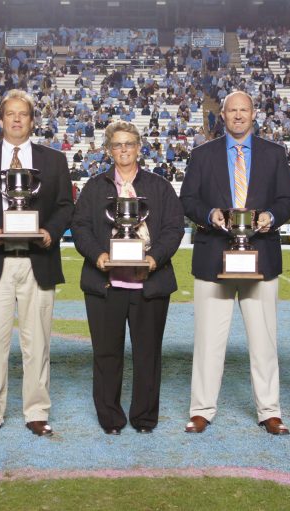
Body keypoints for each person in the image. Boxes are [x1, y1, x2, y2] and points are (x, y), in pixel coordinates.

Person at [0, 90, 74, 438]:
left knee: (37, 344)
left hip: (38, 261)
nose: (17, 119)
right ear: (1, 120)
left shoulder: (54, 160)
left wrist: (51, 232)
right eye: (10, 113)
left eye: (23, 113)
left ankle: (36, 411)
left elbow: (66, 206)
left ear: (32, 120)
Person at [180, 90, 290, 435]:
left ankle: (269, 410)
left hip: (261, 257)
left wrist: (271, 216)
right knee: (208, 341)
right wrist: (209, 214)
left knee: (264, 341)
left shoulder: (274, 153)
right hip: (213, 258)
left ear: (254, 113)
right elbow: (188, 199)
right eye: (232, 110)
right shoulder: (202, 155)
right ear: (223, 115)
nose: (239, 115)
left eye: (244, 109)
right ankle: (201, 410)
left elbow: (286, 201)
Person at [72, 121, 184, 435]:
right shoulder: (95, 187)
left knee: (148, 355)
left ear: (139, 147)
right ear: (109, 150)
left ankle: (144, 417)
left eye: (129, 144)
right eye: (118, 144)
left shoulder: (159, 186)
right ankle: (110, 418)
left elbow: (174, 227)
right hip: (105, 285)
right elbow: (79, 226)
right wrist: (97, 255)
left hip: (149, 284)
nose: (124, 150)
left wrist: (154, 258)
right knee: (106, 354)